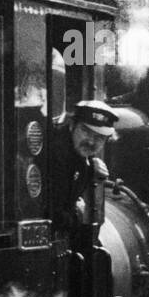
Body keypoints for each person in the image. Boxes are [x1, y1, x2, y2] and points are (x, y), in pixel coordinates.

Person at [47, 99, 120, 236]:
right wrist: (80, 214)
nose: (91, 141)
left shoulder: (78, 156)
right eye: (86, 131)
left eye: (99, 138)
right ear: (72, 125)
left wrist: (90, 165)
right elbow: (56, 215)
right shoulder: (55, 153)